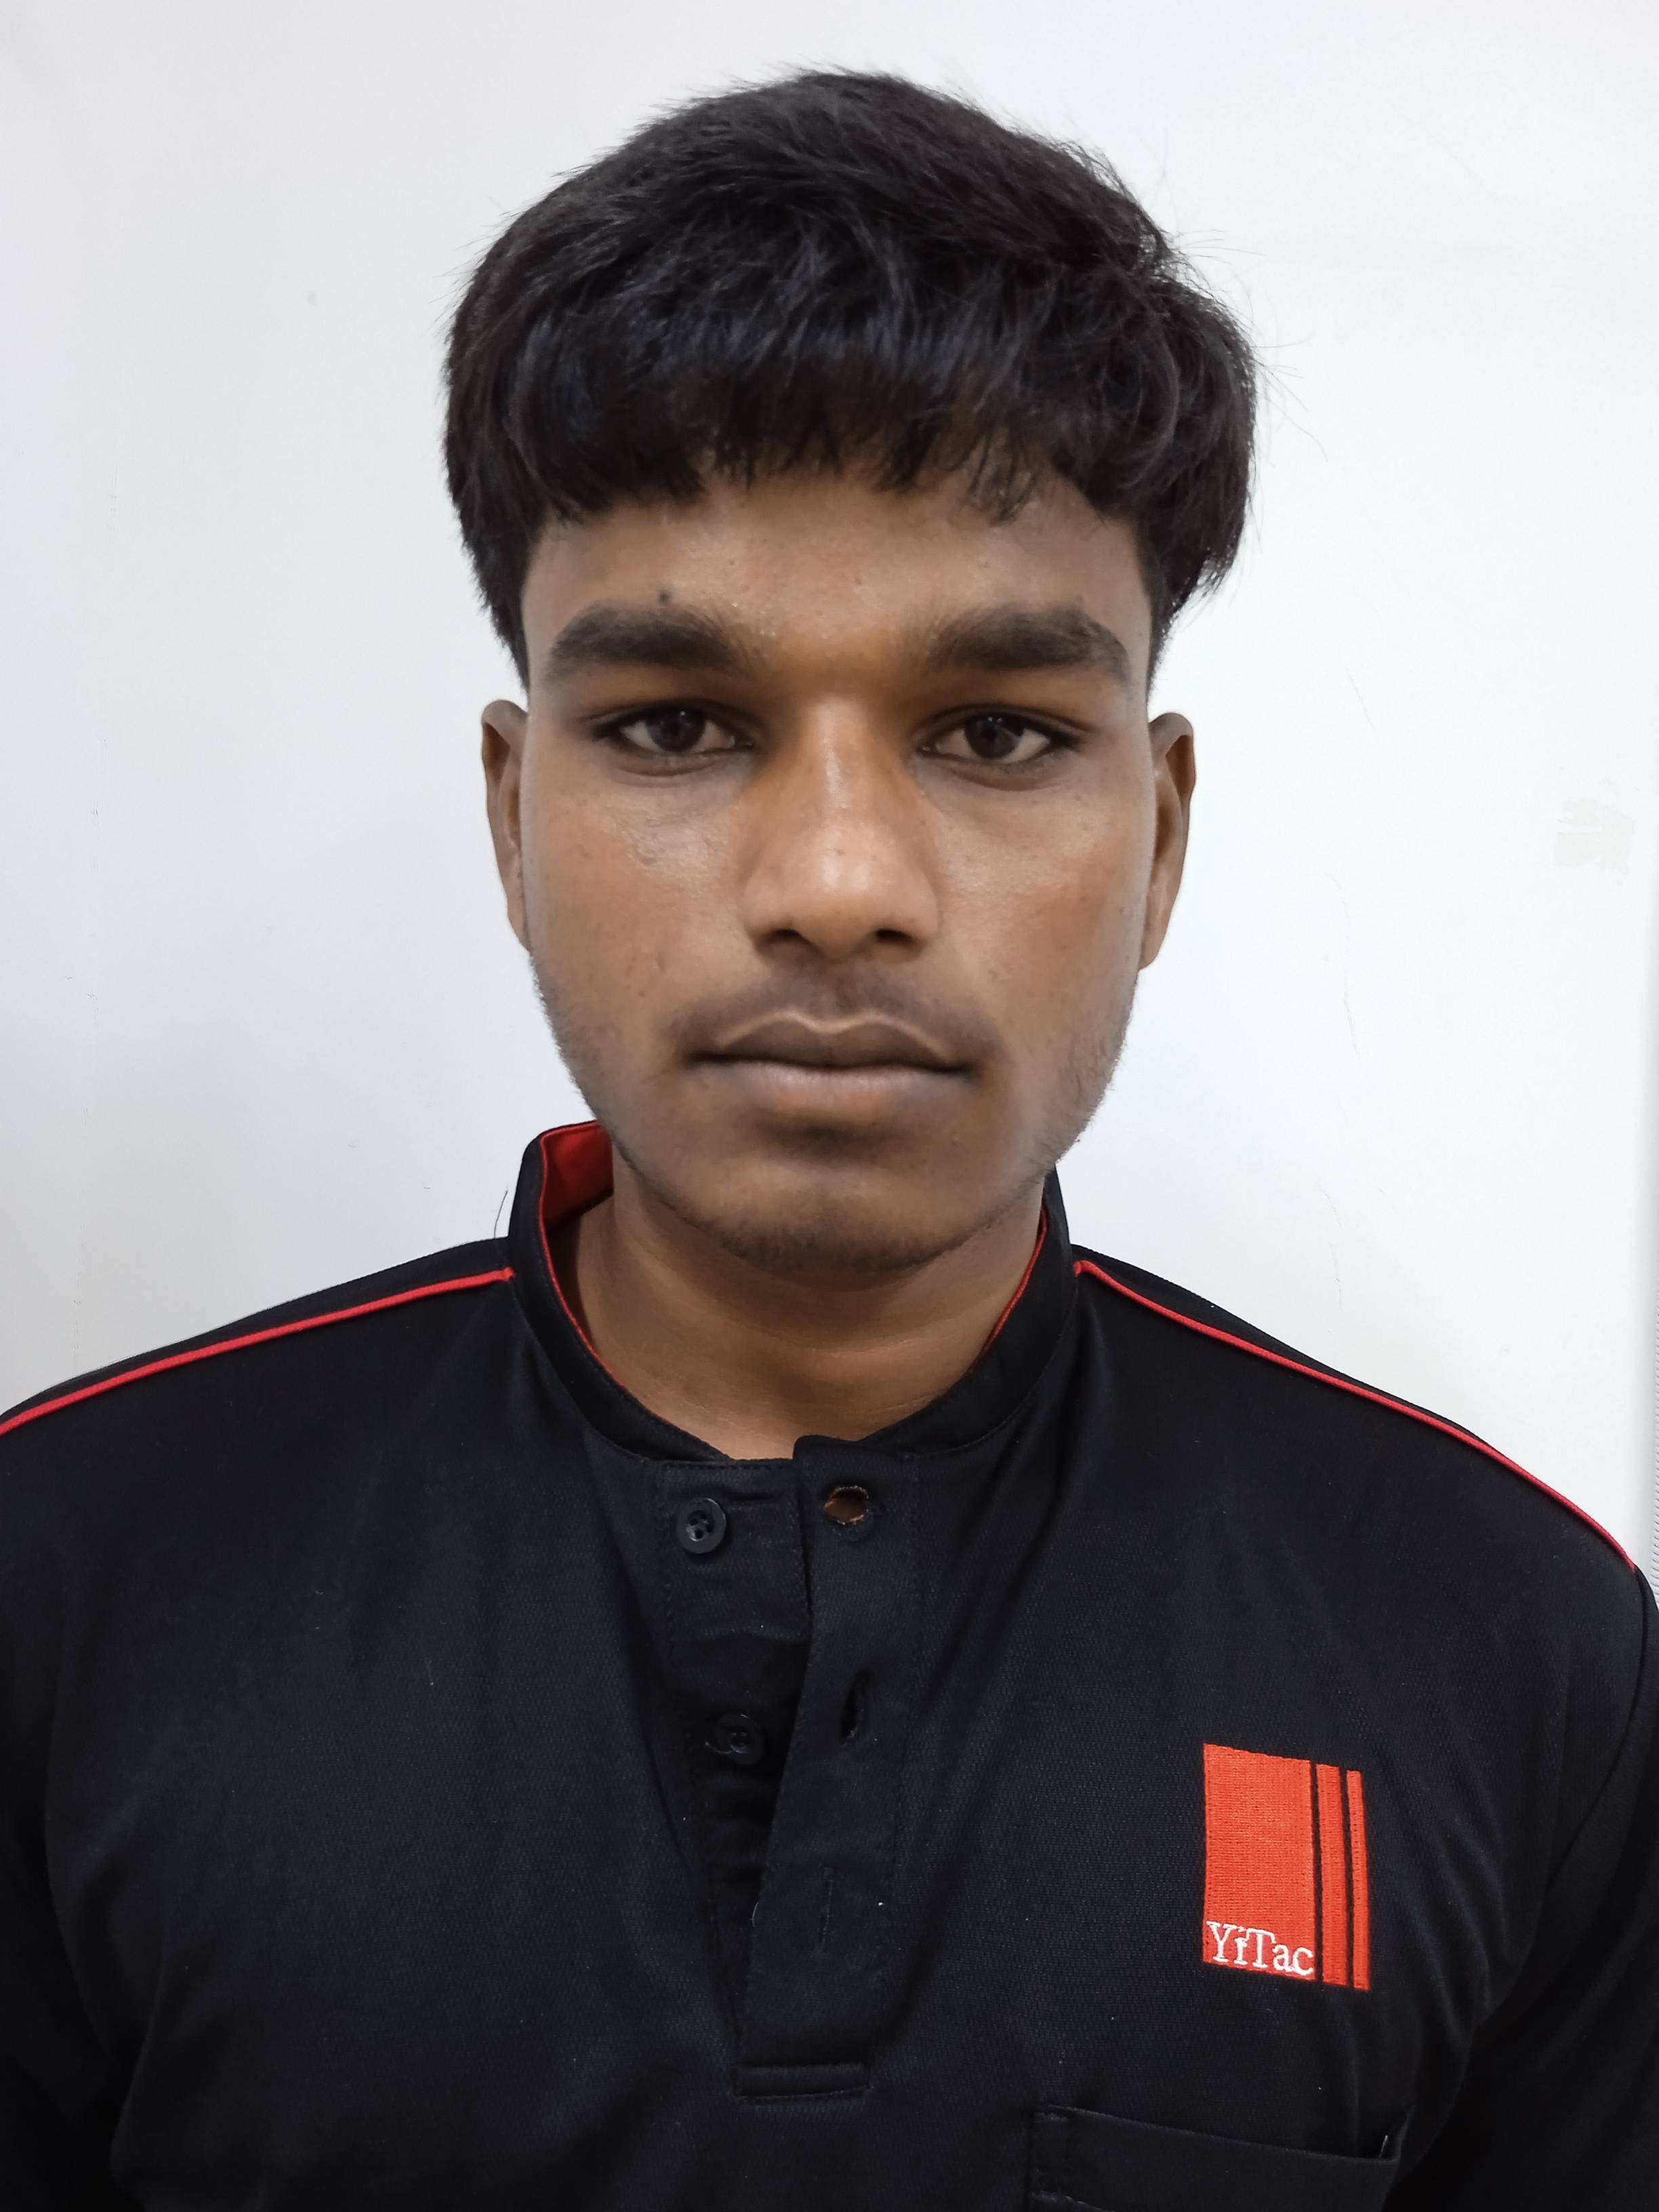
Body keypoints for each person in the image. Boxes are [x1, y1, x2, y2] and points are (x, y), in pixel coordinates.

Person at [1, 68, 1654, 2212]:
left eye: (997, 733)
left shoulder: (1508, 1646)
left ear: (1158, 838)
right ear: (514, 816)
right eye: (680, 725)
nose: (841, 883)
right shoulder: (70, 1578)